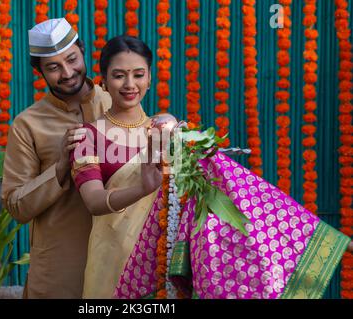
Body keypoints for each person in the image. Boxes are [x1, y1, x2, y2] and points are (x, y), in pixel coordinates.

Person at [70, 35, 353, 299]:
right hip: (112, 259)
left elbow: (224, 187)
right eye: (119, 75)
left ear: (149, 79)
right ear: (104, 82)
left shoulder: (170, 131)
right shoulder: (86, 136)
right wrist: (142, 188)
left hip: (163, 261)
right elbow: (93, 201)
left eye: (138, 74)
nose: (129, 84)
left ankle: (315, 234)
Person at [1, 18, 111, 298]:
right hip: (59, 271)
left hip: (117, 258)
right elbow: (16, 206)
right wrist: (61, 167)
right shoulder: (28, 124)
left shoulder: (116, 103)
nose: (67, 72)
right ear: (39, 71)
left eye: (72, 59)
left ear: (83, 51)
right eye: (53, 67)